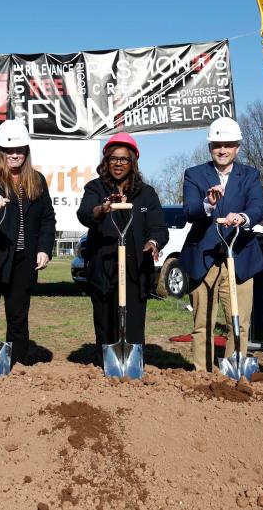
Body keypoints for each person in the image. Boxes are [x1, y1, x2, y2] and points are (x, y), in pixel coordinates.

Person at [0, 119, 56, 366]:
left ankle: (17, 363)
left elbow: (47, 218)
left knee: (17, 316)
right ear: (0, 151)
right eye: (9, 151)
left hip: (22, 260)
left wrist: (45, 249)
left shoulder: (36, 180)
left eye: (19, 150)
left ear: (27, 151)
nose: (15, 155)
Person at [180, 117, 263, 372]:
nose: (222, 150)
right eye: (217, 144)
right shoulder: (195, 174)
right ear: (210, 147)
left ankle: (233, 372)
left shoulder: (250, 174)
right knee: (202, 321)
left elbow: (258, 207)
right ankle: (202, 372)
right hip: (204, 256)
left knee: (239, 321)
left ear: (237, 147)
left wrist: (242, 218)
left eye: (228, 145)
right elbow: (189, 211)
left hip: (240, 254)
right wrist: (208, 203)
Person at [77, 133, 168, 361]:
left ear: (133, 162)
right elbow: (85, 213)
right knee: (105, 320)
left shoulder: (146, 193)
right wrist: (102, 209)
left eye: (124, 159)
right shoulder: (95, 188)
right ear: (106, 161)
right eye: (113, 159)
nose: (118, 163)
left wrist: (153, 242)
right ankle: (107, 362)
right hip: (103, 266)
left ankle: (132, 361)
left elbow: (159, 228)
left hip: (135, 269)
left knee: (134, 319)